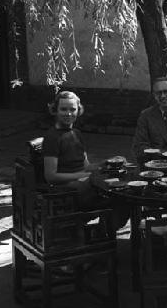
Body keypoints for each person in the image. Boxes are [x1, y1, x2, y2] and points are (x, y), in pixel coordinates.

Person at [42, 91, 129, 227]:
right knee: (115, 195)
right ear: (55, 110)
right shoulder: (52, 137)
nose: (69, 114)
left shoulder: (76, 134)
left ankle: (106, 228)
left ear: (78, 111)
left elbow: (87, 166)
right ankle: (104, 229)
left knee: (123, 192)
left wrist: (107, 162)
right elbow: (50, 176)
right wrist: (82, 175)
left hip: (83, 182)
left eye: (73, 109)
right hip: (67, 189)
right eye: (64, 109)